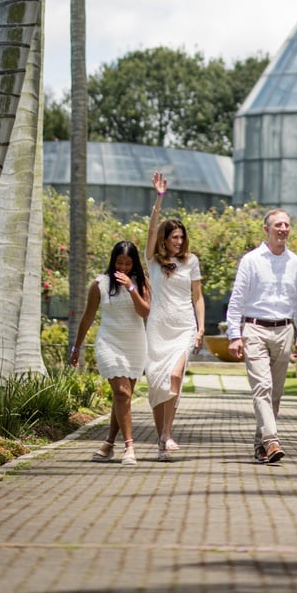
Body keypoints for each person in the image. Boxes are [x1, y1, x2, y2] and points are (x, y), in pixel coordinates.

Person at [226, 208, 297, 464]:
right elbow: (237, 300)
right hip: (255, 330)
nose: (283, 229)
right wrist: (233, 335)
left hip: (284, 330)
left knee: (274, 394)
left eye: (286, 225)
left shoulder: (295, 262)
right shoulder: (251, 260)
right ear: (267, 229)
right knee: (262, 387)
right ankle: (272, 440)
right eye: (278, 225)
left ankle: (260, 446)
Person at [70, 240, 151, 466]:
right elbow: (87, 317)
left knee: (122, 398)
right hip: (109, 342)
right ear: (113, 261)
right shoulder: (100, 284)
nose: (123, 267)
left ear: (134, 264)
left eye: (127, 263)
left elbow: (145, 312)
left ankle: (108, 444)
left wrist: (131, 288)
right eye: (119, 262)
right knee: (122, 394)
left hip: (135, 343)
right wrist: (77, 347)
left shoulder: (140, 283)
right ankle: (129, 446)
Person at [145, 171, 205, 461]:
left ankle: (167, 433)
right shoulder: (153, 262)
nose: (179, 242)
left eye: (182, 237)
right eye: (174, 237)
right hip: (157, 327)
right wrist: (159, 199)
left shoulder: (191, 262)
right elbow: (150, 230)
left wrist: (201, 328)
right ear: (165, 240)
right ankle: (161, 439)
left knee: (173, 376)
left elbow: (198, 297)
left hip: (183, 326)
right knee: (157, 385)